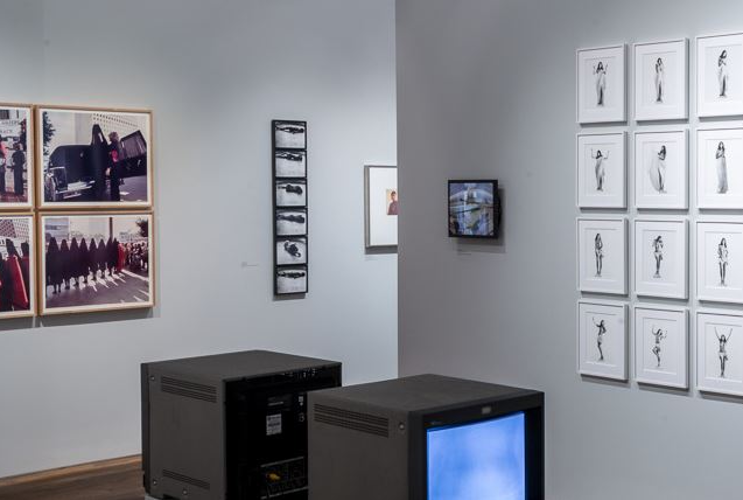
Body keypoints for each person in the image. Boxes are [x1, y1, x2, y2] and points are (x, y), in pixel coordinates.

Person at [89, 124, 112, 201]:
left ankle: (98, 198)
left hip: (96, 169)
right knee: (102, 185)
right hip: (102, 168)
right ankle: (101, 198)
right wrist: (108, 167)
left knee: (98, 185)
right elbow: (108, 155)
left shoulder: (93, 145)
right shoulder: (103, 144)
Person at [5, 240, 28, 310]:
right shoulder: (17, 258)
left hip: (16, 288)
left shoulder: (11, 260)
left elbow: (13, 275)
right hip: (24, 285)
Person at [108, 131, 123, 201]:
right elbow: (116, 158)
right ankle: (117, 199)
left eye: (109, 137)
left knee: (113, 185)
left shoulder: (113, 145)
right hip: (117, 167)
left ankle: (115, 200)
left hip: (114, 168)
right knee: (116, 185)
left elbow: (114, 158)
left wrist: (109, 168)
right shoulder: (118, 144)